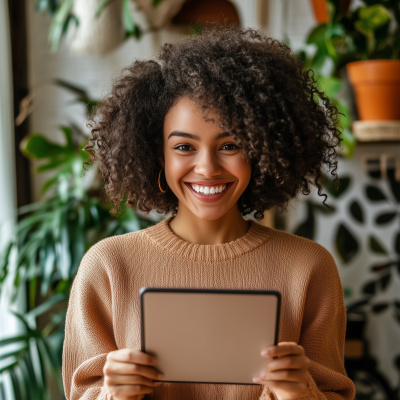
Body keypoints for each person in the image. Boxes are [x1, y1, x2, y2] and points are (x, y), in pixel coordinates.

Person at [62, 25, 356, 400]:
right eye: (184, 147)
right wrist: (112, 396)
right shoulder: (107, 266)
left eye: (230, 144)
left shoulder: (309, 268)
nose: (208, 168)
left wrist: (302, 394)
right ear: (158, 155)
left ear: (261, 150)